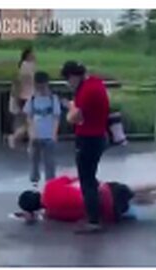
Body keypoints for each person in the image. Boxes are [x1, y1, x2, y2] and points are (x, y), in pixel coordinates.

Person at [16, 175, 156, 227]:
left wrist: (33, 216)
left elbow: (77, 217)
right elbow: (76, 176)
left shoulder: (52, 214)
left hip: (109, 212)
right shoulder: (50, 186)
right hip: (103, 191)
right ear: (35, 192)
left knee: (135, 202)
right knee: (131, 190)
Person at [61, 61, 110, 233]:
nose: (69, 83)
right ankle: (95, 212)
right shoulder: (96, 83)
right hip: (99, 135)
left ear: (74, 76)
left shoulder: (86, 91)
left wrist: (70, 109)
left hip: (88, 138)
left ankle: (93, 220)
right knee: (91, 177)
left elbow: (74, 117)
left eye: (68, 79)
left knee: (86, 180)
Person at [23, 71, 61, 188]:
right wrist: (31, 133)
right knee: (34, 159)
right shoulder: (33, 99)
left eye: (43, 85)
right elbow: (29, 117)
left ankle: (50, 183)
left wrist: (54, 133)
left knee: (49, 161)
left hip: (48, 134)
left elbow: (56, 117)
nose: (40, 88)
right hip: (36, 134)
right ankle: (34, 180)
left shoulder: (53, 99)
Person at [8, 48, 36, 149]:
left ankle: (22, 139)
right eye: (32, 54)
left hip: (27, 96)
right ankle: (17, 138)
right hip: (26, 96)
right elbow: (22, 82)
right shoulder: (27, 66)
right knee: (30, 121)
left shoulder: (26, 66)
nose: (34, 56)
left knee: (30, 121)